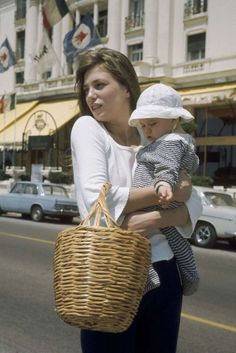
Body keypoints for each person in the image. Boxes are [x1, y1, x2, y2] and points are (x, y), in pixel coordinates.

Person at [71, 47, 202, 353]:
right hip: (111, 276)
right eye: (87, 88)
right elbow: (97, 200)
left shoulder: (154, 133)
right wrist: (167, 195)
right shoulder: (87, 128)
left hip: (165, 272)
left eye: (100, 85)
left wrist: (154, 218)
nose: (91, 95)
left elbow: (195, 201)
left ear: (127, 88)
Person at [128, 83, 200, 296]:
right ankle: (190, 275)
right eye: (143, 126)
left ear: (174, 120)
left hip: (157, 197)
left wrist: (163, 184)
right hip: (162, 199)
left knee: (135, 238)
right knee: (175, 238)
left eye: (152, 123)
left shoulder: (169, 142)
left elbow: (166, 167)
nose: (147, 131)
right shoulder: (176, 140)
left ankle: (149, 276)